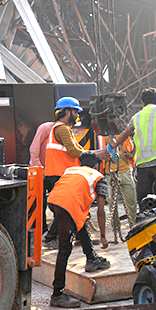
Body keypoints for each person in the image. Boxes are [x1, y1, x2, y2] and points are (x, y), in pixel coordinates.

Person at [43, 97, 110, 248]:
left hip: (64, 174)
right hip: (59, 174)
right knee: (65, 209)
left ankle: (81, 238)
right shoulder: (61, 128)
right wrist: (98, 155)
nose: (77, 115)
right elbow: (74, 151)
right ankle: (50, 238)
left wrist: (100, 152)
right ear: (67, 112)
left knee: (75, 208)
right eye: (75, 111)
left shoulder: (65, 129)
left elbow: (81, 150)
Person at [47, 153, 111, 308]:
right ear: (97, 165)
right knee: (65, 248)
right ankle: (57, 294)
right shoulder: (98, 176)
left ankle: (91, 258)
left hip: (53, 201)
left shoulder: (71, 170)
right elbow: (101, 211)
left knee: (79, 221)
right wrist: (103, 236)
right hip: (67, 206)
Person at [111, 87, 156, 205]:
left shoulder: (136, 117)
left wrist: (114, 144)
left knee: (144, 202)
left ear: (143, 103)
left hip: (142, 166)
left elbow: (125, 133)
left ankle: (145, 223)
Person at [103, 136, 138, 224]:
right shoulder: (103, 132)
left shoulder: (124, 131)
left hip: (125, 171)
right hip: (110, 173)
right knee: (112, 206)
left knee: (132, 203)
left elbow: (138, 139)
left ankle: (133, 227)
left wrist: (132, 154)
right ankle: (115, 228)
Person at [29, 121, 55, 233]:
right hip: (41, 171)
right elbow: (34, 149)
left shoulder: (64, 132)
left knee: (57, 203)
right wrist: (40, 169)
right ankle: (40, 231)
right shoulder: (46, 128)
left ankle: (54, 232)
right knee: (39, 203)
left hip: (52, 172)